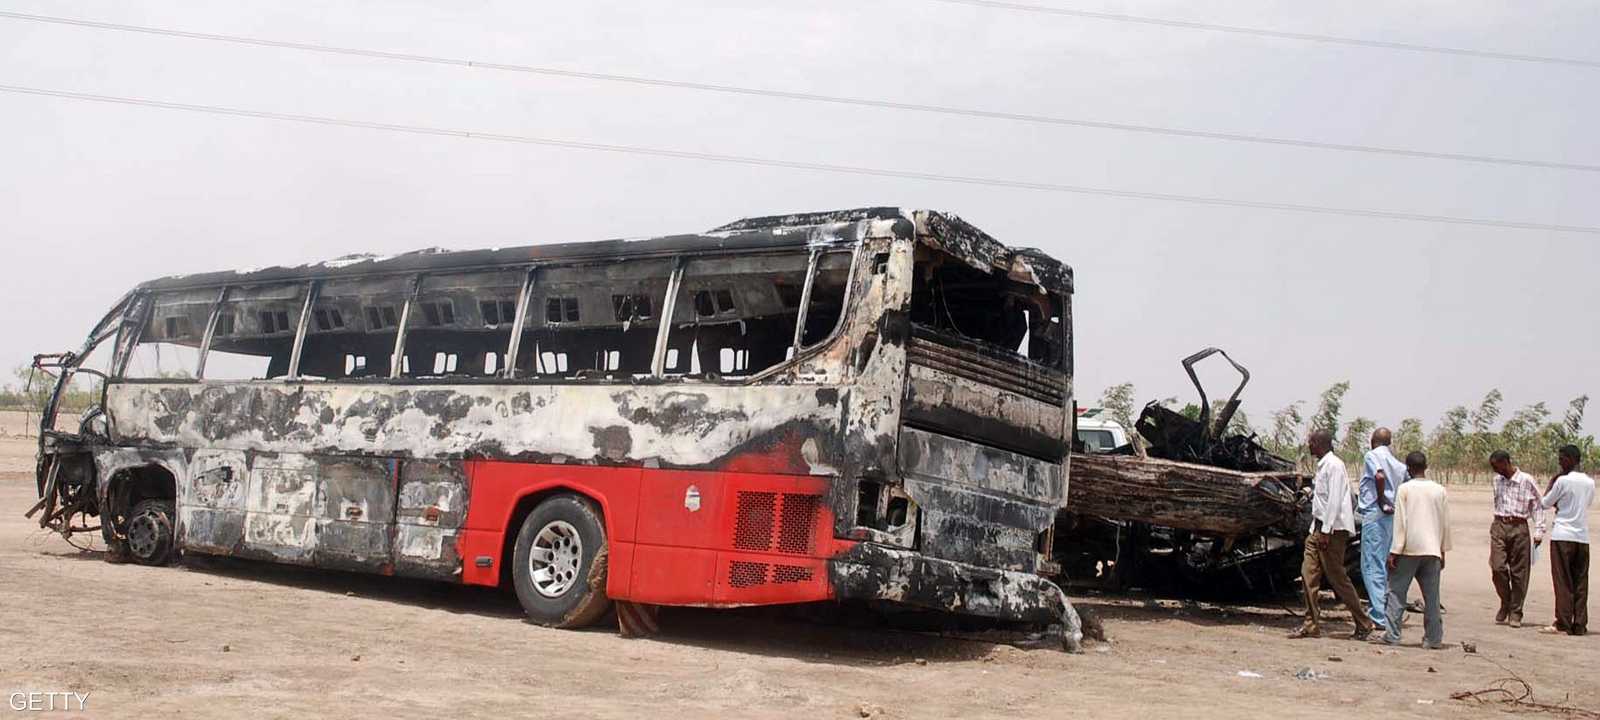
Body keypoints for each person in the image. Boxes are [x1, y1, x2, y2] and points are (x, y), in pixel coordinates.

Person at [1290, 430, 1375, 640]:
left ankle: (1364, 623)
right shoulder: (1323, 466)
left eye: (1310, 442)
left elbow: (1335, 501)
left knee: (1337, 578)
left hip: (1332, 531)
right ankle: (1311, 624)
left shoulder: (1334, 465)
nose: (1308, 446)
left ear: (1319, 444)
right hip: (1317, 529)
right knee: (1308, 575)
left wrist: (1327, 531)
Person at [1380, 451, 1450, 648]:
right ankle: (1433, 638)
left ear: (1408, 469)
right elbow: (1445, 524)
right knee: (1432, 597)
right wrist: (1443, 550)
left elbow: (1400, 523)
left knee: (1396, 593)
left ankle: (1392, 634)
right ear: (1425, 467)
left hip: (1409, 549)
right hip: (1432, 550)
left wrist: (1394, 550)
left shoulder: (1404, 489)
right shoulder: (1439, 490)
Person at [1487, 450, 1547, 628]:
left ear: (1506, 462)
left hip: (1519, 527)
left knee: (1520, 572)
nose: (1495, 470)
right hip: (1499, 525)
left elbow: (1538, 506)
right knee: (1497, 567)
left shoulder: (1526, 480)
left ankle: (1515, 611)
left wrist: (1539, 531)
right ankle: (1506, 600)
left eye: (1496, 466)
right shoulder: (1497, 480)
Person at [1541, 445, 1595, 636]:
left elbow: (1545, 502)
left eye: (1562, 458)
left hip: (1563, 535)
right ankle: (1579, 623)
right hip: (1582, 537)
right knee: (1581, 581)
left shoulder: (1562, 481)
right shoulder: (1590, 482)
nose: (1559, 461)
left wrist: (1552, 484)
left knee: (1563, 580)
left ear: (1572, 459)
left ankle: (1563, 621)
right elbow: (1587, 503)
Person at [1358, 427, 1408, 632]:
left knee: (1372, 567)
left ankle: (1378, 616)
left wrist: (1381, 500)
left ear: (1373, 441)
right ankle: (1387, 610)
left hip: (1376, 514)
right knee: (1386, 566)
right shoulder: (1399, 465)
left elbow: (1378, 476)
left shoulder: (1372, 455)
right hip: (1392, 517)